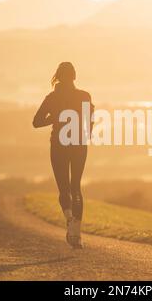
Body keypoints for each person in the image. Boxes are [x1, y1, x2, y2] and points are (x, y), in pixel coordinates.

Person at [33, 62, 94, 249]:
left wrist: (55, 118)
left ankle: (69, 219)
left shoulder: (52, 97)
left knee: (64, 188)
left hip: (58, 145)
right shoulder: (85, 96)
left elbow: (36, 122)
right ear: (74, 76)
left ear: (58, 77)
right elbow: (88, 123)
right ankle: (76, 232)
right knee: (76, 187)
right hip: (78, 145)